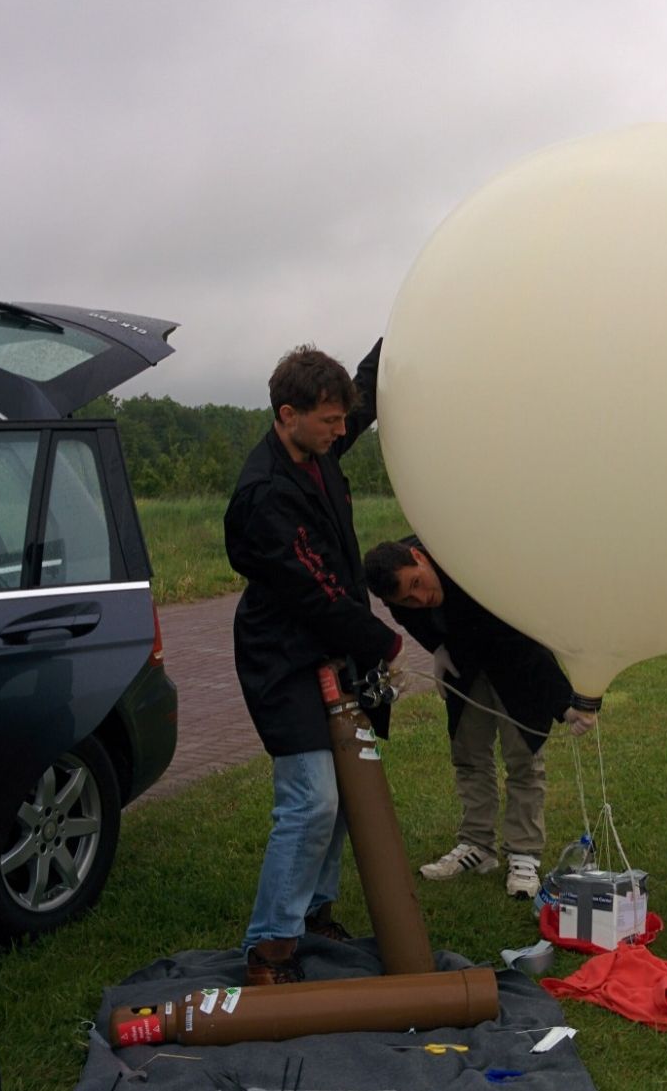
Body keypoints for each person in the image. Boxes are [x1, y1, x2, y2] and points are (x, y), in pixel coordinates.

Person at [224, 340, 404, 985]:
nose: (340, 431)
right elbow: (315, 591)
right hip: (284, 658)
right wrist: (381, 641)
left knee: (343, 787)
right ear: (287, 413)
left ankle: (314, 915)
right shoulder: (264, 494)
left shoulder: (319, 444)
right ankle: (269, 949)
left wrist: (396, 336)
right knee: (312, 800)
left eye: (341, 420)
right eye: (329, 421)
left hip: (331, 646)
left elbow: (360, 397)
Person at [363, 537, 598, 900]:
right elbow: (411, 617)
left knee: (524, 760)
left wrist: (563, 704)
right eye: (406, 599)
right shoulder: (400, 597)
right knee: (469, 756)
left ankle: (523, 853)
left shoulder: (465, 555)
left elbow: (526, 642)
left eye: (417, 584)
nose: (420, 599)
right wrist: (437, 648)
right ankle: (477, 845)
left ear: (418, 556)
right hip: (464, 665)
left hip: (515, 658)